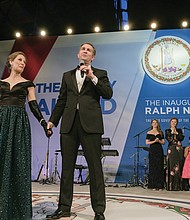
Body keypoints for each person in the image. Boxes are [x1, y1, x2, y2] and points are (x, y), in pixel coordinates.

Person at [46, 42, 113, 220]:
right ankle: (64, 208)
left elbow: (108, 94)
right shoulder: (67, 75)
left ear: (93, 57)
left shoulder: (100, 74)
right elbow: (61, 100)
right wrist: (52, 121)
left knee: (95, 168)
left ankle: (99, 211)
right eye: (82, 49)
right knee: (67, 168)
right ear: (78, 55)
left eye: (89, 50)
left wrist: (92, 77)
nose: (85, 51)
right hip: (69, 125)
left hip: (91, 126)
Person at [0, 51, 52, 220]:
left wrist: (44, 123)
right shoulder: (1, 84)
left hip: (18, 124)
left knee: (18, 165)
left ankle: (17, 211)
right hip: (1, 123)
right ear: (11, 61)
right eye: (19, 60)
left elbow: (34, 105)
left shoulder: (28, 84)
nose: (23, 63)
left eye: (25, 61)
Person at [165, 117, 185, 191]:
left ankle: (179, 186)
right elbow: (169, 139)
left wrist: (176, 132)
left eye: (175, 122)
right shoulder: (167, 130)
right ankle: (170, 186)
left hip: (179, 149)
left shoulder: (179, 130)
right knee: (171, 165)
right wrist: (172, 131)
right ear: (170, 122)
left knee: (179, 165)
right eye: (172, 121)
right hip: (171, 149)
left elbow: (181, 138)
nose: (174, 123)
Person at [146, 119, 165, 190]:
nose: (154, 124)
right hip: (153, 150)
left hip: (159, 149)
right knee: (153, 166)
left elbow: (163, 142)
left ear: (158, 124)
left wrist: (159, 141)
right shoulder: (149, 132)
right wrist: (154, 141)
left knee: (159, 166)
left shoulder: (160, 132)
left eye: (156, 122)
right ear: (151, 124)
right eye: (153, 122)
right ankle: (152, 185)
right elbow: (147, 142)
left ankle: (159, 185)